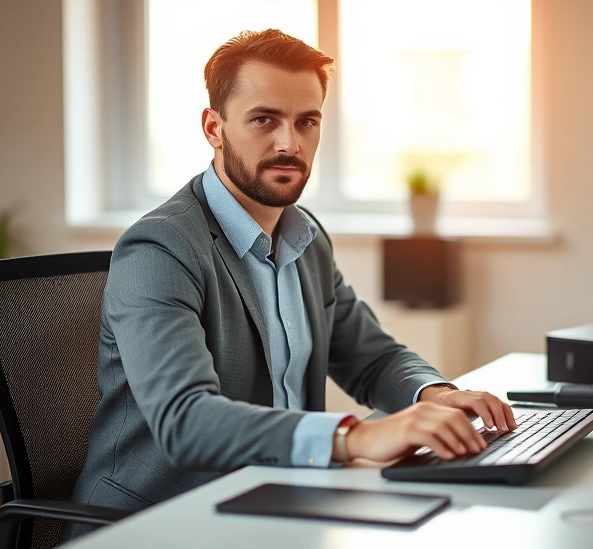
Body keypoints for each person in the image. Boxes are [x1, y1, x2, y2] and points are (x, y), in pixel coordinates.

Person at [65, 28, 516, 532]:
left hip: (281, 505)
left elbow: (372, 357)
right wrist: (356, 438)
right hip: (163, 523)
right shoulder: (160, 249)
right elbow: (185, 420)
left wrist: (433, 394)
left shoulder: (306, 237)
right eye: (264, 120)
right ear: (214, 128)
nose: (289, 143)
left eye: (307, 122)